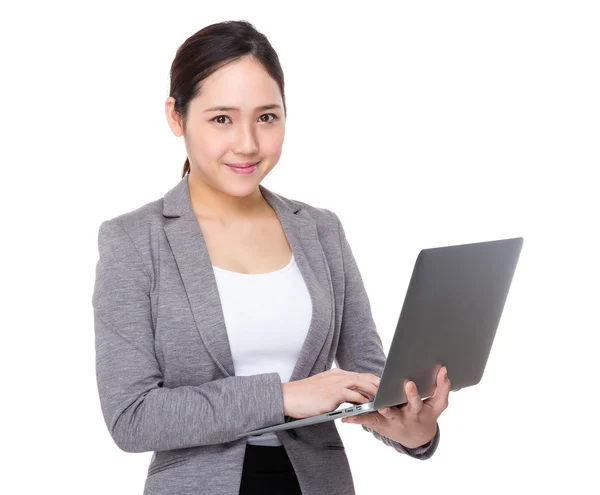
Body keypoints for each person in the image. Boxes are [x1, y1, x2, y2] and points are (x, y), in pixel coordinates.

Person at [92, 20, 451, 495]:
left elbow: (369, 378)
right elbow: (132, 417)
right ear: (176, 117)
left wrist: (413, 431)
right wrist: (282, 397)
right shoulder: (134, 242)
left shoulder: (321, 230)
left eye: (267, 117)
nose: (248, 143)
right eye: (222, 118)